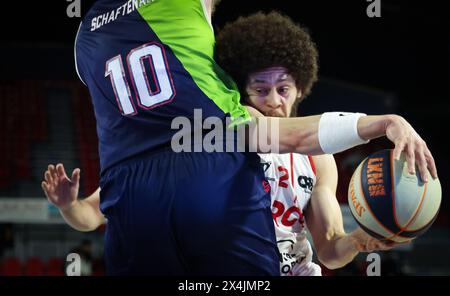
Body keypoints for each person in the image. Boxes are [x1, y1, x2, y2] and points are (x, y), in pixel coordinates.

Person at [47, 0, 436, 275]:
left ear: (300, 89)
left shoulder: (320, 160)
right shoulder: (223, 127)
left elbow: (331, 250)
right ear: (238, 92)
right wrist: (68, 206)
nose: (272, 100)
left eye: (282, 89)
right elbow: (92, 214)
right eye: (260, 89)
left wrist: (359, 242)